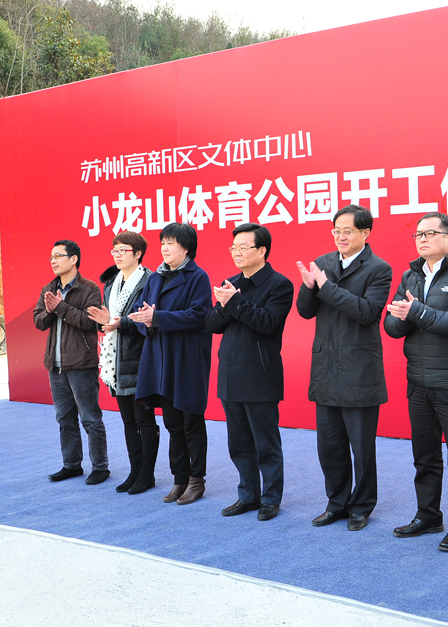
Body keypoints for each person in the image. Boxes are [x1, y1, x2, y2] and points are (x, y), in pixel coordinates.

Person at [383, 212, 448, 552]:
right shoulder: (410, 275)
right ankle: (428, 515)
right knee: (424, 456)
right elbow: (391, 326)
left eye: (430, 233)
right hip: (418, 379)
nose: (423, 239)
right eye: (418, 234)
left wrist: (415, 313)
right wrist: (404, 317)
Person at [296, 204, 393, 532]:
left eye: (347, 231)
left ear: (365, 233)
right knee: (329, 446)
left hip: (359, 370)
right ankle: (336, 503)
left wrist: (326, 287)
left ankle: (361, 506)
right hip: (326, 368)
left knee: (361, 447)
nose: (340, 236)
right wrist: (309, 286)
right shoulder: (323, 263)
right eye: (336, 231)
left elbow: (367, 312)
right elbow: (305, 311)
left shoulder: (378, 268)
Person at [206, 223, 294, 522]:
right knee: (239, 444)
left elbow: (268, 323)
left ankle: (270, 498)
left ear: (262, 251)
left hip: (260, 375)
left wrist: (234, 302)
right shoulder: (230, 282)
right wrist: (225, 304)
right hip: (230, 373)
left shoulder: (279, 285)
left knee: (265, 443)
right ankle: (247, 495)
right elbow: (213, 324)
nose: (237, 253)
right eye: (234, 248)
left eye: (244, 247)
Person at [130, 223, 213, 505]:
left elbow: (198, 315)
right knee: (172, 423)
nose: (165, 248)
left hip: (186, 359)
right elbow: (141, 312)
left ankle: (196, 480)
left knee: (191, 422)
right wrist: (144, 321)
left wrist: (157, 318)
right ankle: (180, 478)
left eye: (171, 243)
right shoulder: (155, 278)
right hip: (160, 360)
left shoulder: (198, 277)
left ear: (186, 248)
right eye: (163, 243)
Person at [34, 239, 109, 485]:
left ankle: (100, 466)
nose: (53, 261)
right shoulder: (49, 287)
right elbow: (38, 321)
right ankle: (71, 465)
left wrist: (61, 307)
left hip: (81, 363)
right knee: (64, 419)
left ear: (74, 259)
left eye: (58, 256)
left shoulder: (90, 289)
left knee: (90, 418)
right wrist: (49, 311)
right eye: (51, 257)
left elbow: (90, 322)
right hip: (55, 366)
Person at [87, 231, 156, 494]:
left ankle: (146, 475)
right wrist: (104, 322)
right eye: (114, 250)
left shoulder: (149, 281)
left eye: (122, 250)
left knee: (144, 420)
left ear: (138, 254)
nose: (117, 255)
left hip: (140, 360)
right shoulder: (111, 283)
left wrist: (119, 323)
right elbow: (108, 320)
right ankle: (134, 471)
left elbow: (147, 323)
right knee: (128, 421)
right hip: (116, 360)